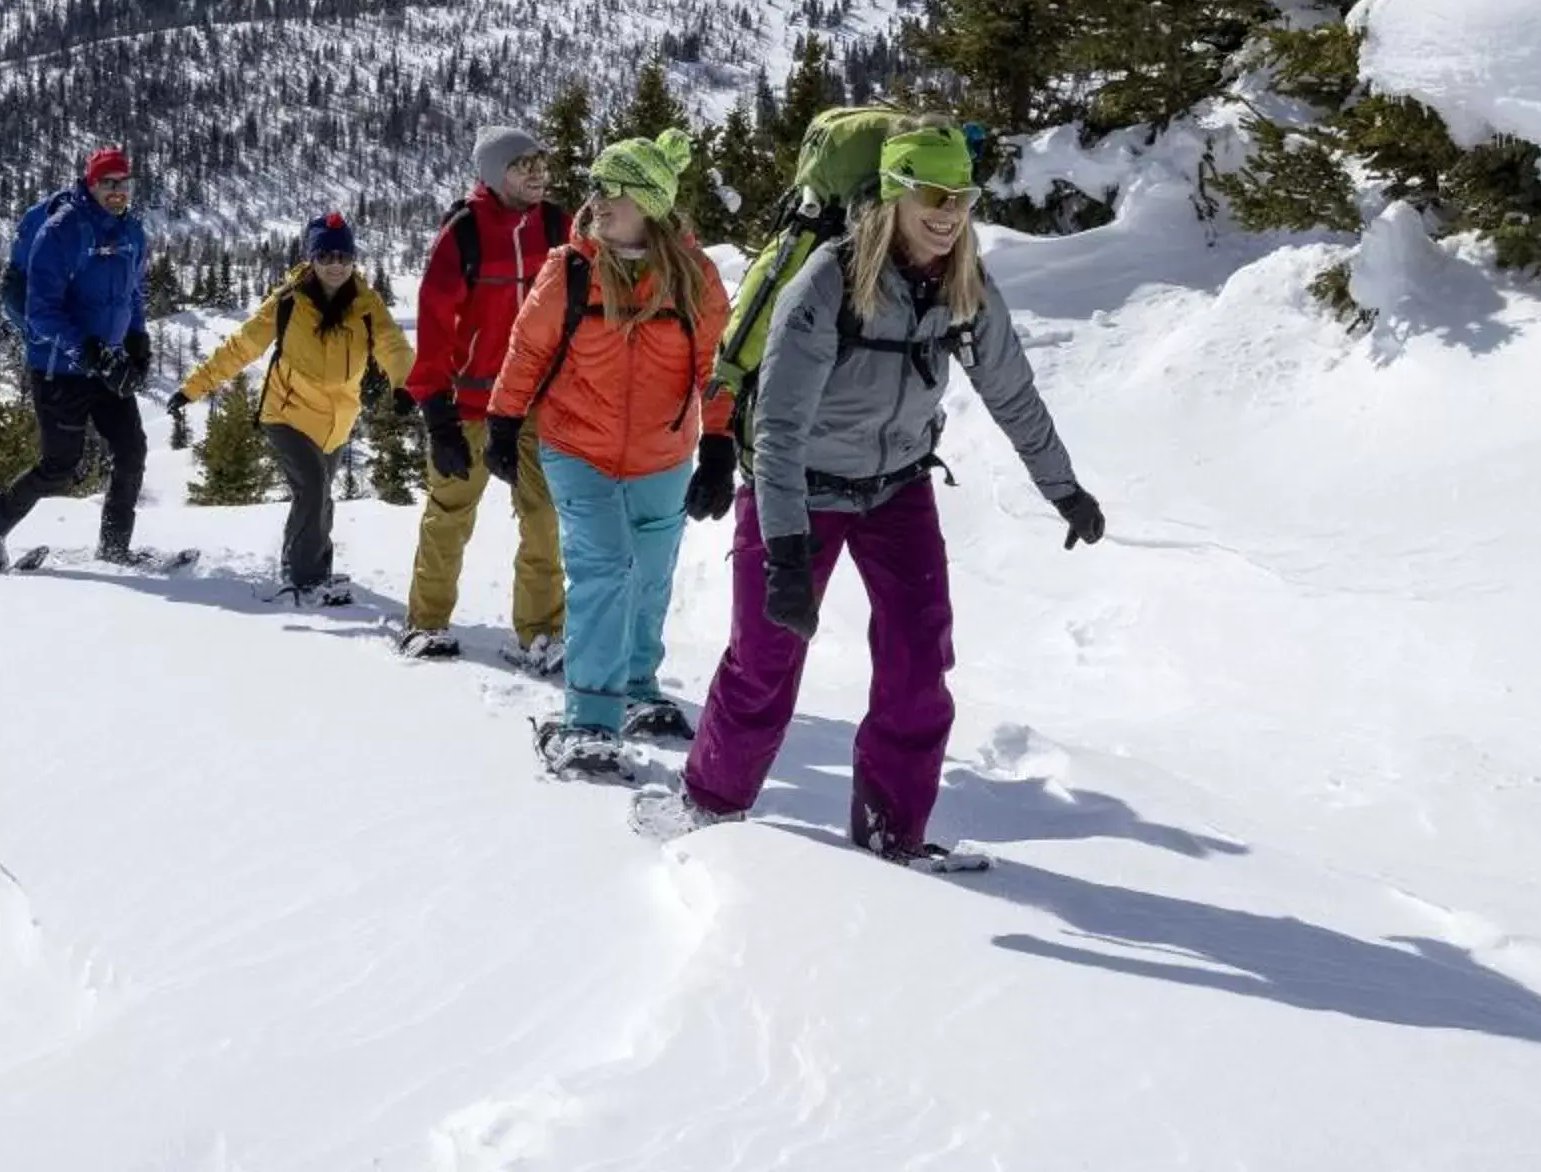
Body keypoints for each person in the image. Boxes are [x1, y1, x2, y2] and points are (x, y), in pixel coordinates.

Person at [650, 119, 1106, 866]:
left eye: (960, 195)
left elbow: (1012, 392)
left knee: (918, 660)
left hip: (896, 490)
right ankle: (708, 807)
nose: (948, 211)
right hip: (796, 488)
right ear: (893, 192)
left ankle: (892, 832)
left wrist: (1065, 490)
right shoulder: (828, 279)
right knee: (765, 658)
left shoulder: (964, 281)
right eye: (931, 193)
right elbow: (782, 423)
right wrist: (788, 553)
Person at [488, 128, 735, 778]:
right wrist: (505, 420)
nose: (596, 200)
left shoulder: (696, 280)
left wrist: (719, 445)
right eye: (594, 186)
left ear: (651, 203)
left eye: (613, 191)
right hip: (578, 447)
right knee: (605, 571)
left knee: (650, 574)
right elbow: (528, 347)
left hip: (664, 454)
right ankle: (590, 720)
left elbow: (719, 367)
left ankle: (637, 686)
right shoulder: (570, 269)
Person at [171, 212, 415, 606]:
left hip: (337, 420)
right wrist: (192, 388)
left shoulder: (367, 305)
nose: (336, 265)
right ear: (312, 259)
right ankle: (306, 579)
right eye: (326, 256)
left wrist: (404, 385)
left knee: (319, 495)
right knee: (314, 489)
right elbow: (242, 346)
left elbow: (394, 347)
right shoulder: (288, 302)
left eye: (343, 256)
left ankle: (301, 563)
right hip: (287, 414)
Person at [397, 126, 571, 668]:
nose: (538, 174)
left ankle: (539, 634)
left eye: (540, 163)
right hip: (471, 405)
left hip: (538, 404)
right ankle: (426, 623)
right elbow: (434, 323)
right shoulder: (464, 233)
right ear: (496, 174)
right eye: (523, 166)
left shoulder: (558, 226)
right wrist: (436, 413)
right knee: (450, 513)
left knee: (544, 519)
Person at [0, 146, 155, 571]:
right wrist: (89, 352)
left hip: (108, 364)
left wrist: (138, 343)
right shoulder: (61, 231)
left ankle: (115, 549)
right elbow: (41, 311)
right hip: (59, 369)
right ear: (91, 183)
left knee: (132, 451)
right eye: (108, 183)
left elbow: (133, 294)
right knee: (59, 466)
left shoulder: (133, 234)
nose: (118, 192)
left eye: (124, 183)